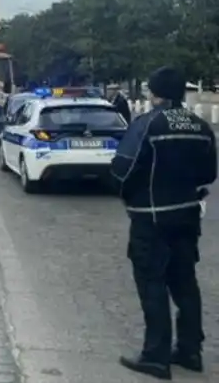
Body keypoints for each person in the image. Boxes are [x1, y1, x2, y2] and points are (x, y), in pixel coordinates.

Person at [110, 66, 216, 379]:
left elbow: (121, 170)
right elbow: (209, 173)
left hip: (150, 218)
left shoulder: (148, 123)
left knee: (152, 283)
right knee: (185, 283)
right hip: (186, 216)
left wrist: (127, 195)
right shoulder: (200, 125)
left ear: (154, 92)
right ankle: (190, 350)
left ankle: (155, 356)